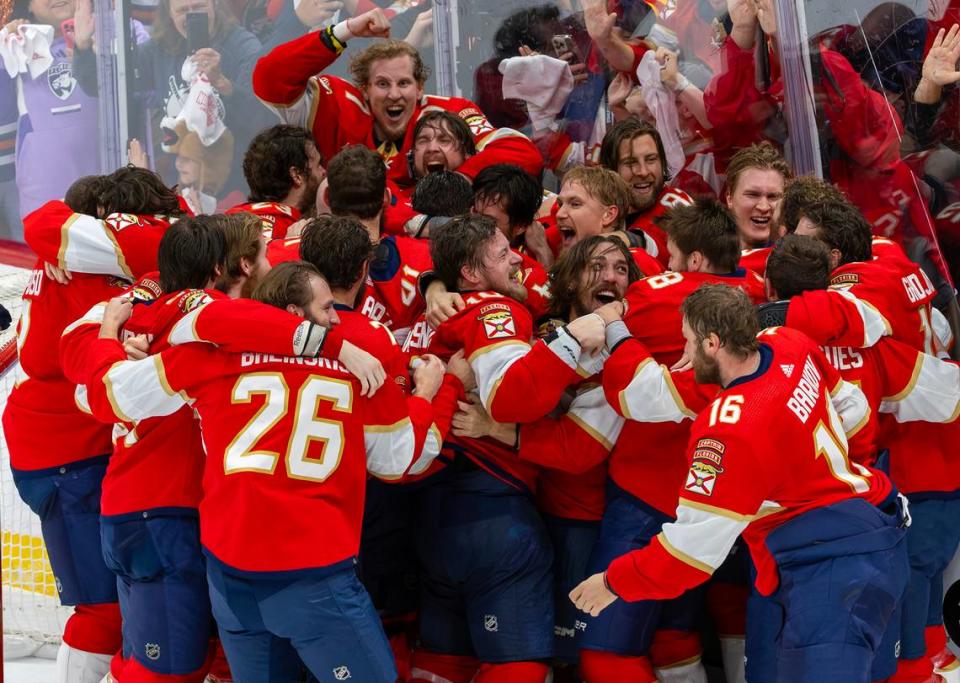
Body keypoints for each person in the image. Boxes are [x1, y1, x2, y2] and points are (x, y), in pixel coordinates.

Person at [77, 261, 444, 682]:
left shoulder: (207, 357)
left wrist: (108, 334)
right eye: (326, 309)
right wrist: (428, 395)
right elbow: (398, 461)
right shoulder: (359, 366)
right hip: (315, 575)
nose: (334, 318)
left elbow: (106, 395)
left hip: (231, 577)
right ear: (291, 313)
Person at [58, 214, 347, 683]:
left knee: (163, 659)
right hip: (166, 510)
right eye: (264, 254)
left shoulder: (144, 302)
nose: (273, 261)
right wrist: (338, 345)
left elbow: (78, 363)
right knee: (167, 671)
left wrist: (110, 338)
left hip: (143, 508)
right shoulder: (206, 325)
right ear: (236, 267)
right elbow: (100, 391)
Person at [572, 284, 910, 683]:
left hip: (829, 573)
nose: (685, 351)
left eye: (688, 341)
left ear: (712, 342)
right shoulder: (789, 342)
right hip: (876, 527)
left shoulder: (727, 431)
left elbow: (689, 556)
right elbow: (851, 406)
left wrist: (614, 582)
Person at [4, 167, 183, 683]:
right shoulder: (96, 268)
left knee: (114, 605)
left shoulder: (64, 259)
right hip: (67, 455)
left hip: (53, 446)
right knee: (103, 611)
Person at [411, 213, 606, 683]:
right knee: (520, 665)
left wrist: (432, 285)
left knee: (442, 659)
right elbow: (514, 394)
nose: (517, 258)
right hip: (494, 512)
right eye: (502, 254)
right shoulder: (495, 309)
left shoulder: (447, 310)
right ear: (472, 275)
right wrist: (578, 339)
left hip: (432, 509)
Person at [252, 7, 543, 192]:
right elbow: (268, 78)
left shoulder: (449, 113)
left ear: (419, 89)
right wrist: (346, 31)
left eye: (404, 83)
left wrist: (462, 180)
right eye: (382, 84)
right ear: (364, 89)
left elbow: (521, 152)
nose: (394, 94)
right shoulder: (336, 103)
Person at [73, 0, 272, 192]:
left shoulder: (242, 46)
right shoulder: (160, 49)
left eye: (199, 7)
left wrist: (222, 83)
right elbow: (105, 85)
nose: (191, 15)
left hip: (234, 186)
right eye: (182, 10)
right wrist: (82, 46)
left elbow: (261, 118)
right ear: (169, 13)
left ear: (215, 5)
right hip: (182, 187)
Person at [1, 0, 99, 220]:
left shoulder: (116, 32)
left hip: (108, 180)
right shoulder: (17, 42)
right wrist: (4, 36)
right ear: (28, 6)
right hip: (45, 191)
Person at [598, 118, 694, 266]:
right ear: (609, 170)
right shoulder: (598, 203)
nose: (643, 172)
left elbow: (657, 245)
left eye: (651, 160)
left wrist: (630, 239)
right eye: (630, 163)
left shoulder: (675, 203)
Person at [226, 124, 326, 238]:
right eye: (318, 165)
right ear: (297, 175)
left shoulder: (227, 222)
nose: (324, 171)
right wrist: (291, 247)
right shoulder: (287, 234)